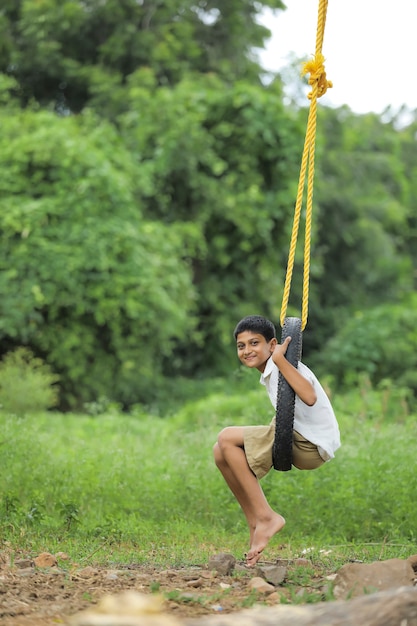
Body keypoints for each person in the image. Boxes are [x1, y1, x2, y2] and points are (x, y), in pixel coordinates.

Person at [213, 315, 340, 567]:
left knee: (226, 437)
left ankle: (267, 516)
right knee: (220, 452)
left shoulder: (282, 365)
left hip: (309, 444)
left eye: (254, 343)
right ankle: (255, 524)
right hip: (301, 437)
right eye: (242, 345)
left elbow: (310, 397)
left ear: (272, 345)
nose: (247, 350)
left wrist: (281, 360)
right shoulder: (273, 369)